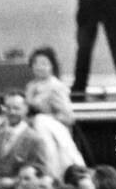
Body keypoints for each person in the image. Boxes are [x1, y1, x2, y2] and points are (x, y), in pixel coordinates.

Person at [26, 46, 85, 178]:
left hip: (51, 135)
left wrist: (44, 118)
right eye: (36, 63)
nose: (39, 67)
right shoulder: (30, 86)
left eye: (44, 63)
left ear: (52, 66)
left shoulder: (56, 86)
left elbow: (68, 117)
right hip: (32, 133)